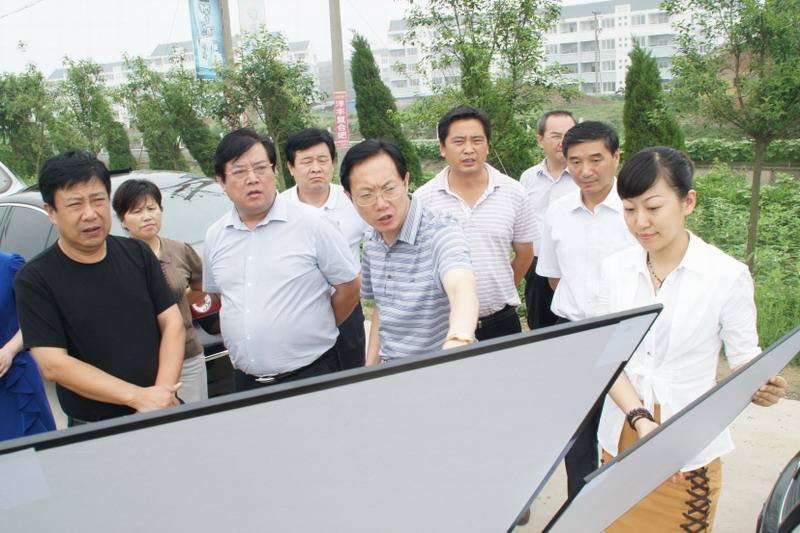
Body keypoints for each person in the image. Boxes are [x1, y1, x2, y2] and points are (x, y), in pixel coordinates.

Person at [597, 146, 788, 532]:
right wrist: (640, 419)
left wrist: (762, 385)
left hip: (685, 452)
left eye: (654, 207)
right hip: (622, 438)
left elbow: (745, 358)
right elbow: (610, 359)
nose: (640, 222)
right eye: (629, 209)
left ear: (688, 202)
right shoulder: (614, 270)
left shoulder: (726, 276)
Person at [14, 149, 185, 425]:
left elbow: (172, 323)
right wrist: (139, 398)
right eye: (75, 205)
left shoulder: (137, 253)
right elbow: (53, 363)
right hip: (96, 426)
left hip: (162, 408)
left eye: (98, 200)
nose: (90, 214)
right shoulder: (35, 279)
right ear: (51, 212)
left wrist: (161, 395)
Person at [204, 128, 361, 391]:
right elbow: (223, 295)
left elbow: (349, 288)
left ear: (274, 170)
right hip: (246, 381)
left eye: (260, 168)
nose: (252, 179)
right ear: (221, 180)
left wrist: (316, 325)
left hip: (310, 374)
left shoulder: (314, 223)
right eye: (239, 172)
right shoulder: (215, 235)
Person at [535, 121, 637, 499]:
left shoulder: (635, 211)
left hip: (629, 334)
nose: (585, 170)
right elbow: (554, 277)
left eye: (596, 159)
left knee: (627, 426)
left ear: (616, 157)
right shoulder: (558, 212)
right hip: (575, 334)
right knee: (577, 436)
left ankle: (623, 507)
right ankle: (579, 509)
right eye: (575, 161)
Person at [339, 139, 479, 363]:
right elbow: (383, 308)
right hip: (395, 371)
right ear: (349, 197)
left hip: (445, 365)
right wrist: (370, 369)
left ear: (405, 181)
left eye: (389, 189)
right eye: (366, 195)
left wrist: (458, 340)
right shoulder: (373, 239)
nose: (381, 204)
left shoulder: (441, 230)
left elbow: (461, 288)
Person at [414, 105, 537, 341]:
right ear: (442, 148)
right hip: (444, 326)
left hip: (501, 323)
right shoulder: (423, 200)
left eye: (477, 140)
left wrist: (499, 290)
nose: (469, 149)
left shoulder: (514, 192)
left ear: (487, 146)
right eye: (459, 141)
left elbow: (525, 254)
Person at [112, 179, 208, 403]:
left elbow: (202, 287)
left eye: (151, 208)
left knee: (196, 417)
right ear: (122, 219)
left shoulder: (180, 250)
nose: (147, 217)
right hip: (142, 363)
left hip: (187, 355)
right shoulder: (116, 259)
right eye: (136, 211)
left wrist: (174, 306)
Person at [281, 128, 367, 370]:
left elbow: (379, 241)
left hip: (348, 306)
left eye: (322, 160)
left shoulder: (353, 200)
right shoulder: (279, 209)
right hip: (298, 313)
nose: (316, 168)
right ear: (291, 167)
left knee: (352, 373)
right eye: (306, 161)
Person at [520, 110, 578, 330]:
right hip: (536, 267)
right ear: (540, 140)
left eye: (569, 135)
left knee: (574, 325)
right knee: (540, 328)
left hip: (573, 265)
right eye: (555, 136)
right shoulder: (528, 177)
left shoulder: (584, 178)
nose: (563, 142)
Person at [0, 251, 56, 441]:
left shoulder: (9, 266)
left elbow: (38, 317)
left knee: (29, 449)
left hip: (12, 378)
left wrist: (9, 351)